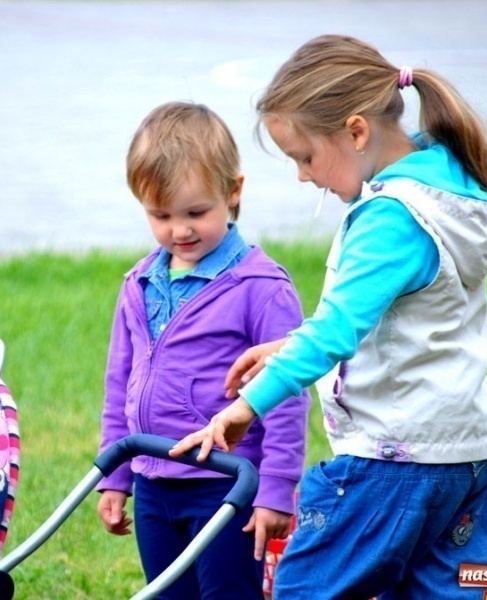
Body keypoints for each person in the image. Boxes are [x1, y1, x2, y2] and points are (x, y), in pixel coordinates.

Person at [171, 34, 487, 599]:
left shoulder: (390, 219)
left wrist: (246, 407)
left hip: (393, 460)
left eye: (305, 157)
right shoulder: (450, 187)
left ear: (355, 131)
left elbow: (335, 331)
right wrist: (286, 347)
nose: (303, 175)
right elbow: (405, 321)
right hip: (466, 457)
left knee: (306, 589)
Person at [96, 101, 308, 599]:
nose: (179, 231)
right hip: (152, 482)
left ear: (233, 192)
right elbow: (119, 384)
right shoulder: (140, 283)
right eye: (160, 215)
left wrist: (276, 487)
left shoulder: (261, 287)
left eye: (196, 212)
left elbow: (287, 393)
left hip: (226, 485)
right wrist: (115, 473)